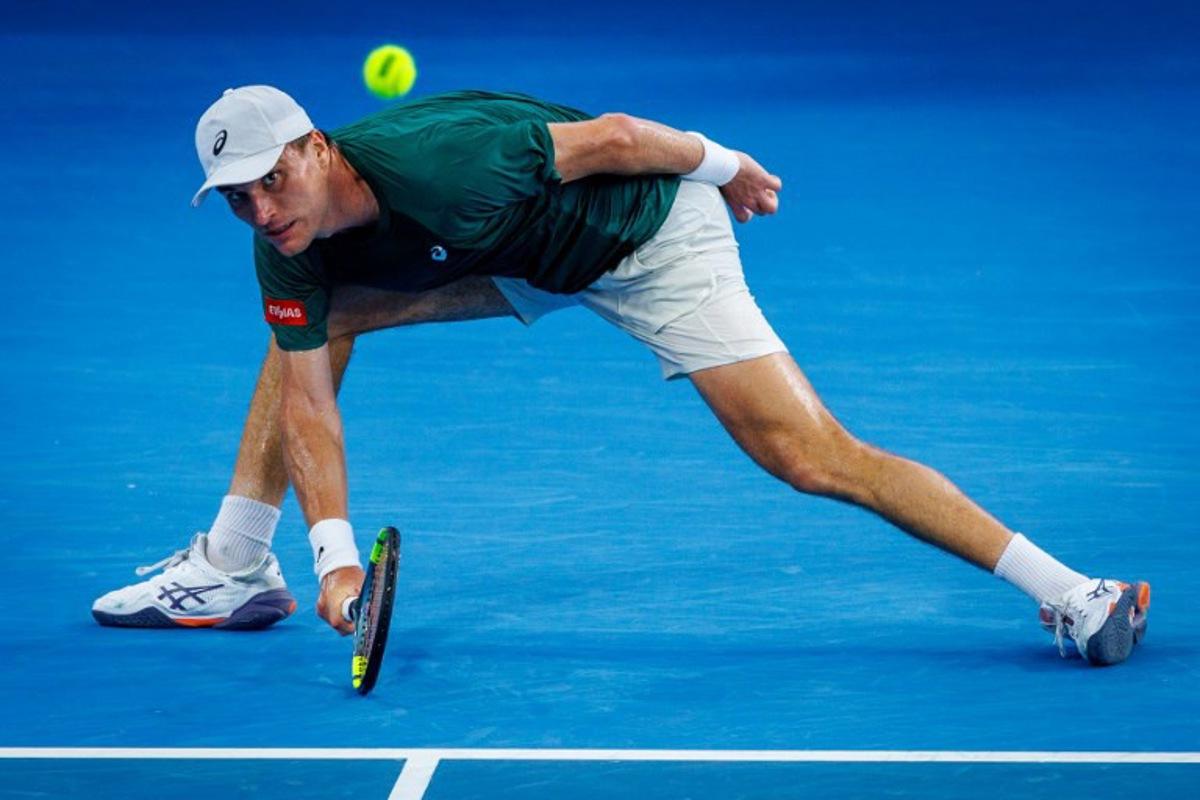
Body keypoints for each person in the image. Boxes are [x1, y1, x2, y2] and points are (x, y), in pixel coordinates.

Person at [93, 85, 1149, 665]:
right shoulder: (282, 244)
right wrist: (332, 558)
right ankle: (240, 562)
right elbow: (309, 401)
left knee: (807, 455)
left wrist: (729, 169)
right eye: (235, 197)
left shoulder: (448, 160)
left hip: (644, 238)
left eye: (271, 179)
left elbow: (616, 137)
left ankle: (1070, 591)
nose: (261, 208)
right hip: (520, 260)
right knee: (306, 336)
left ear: (318, 149)